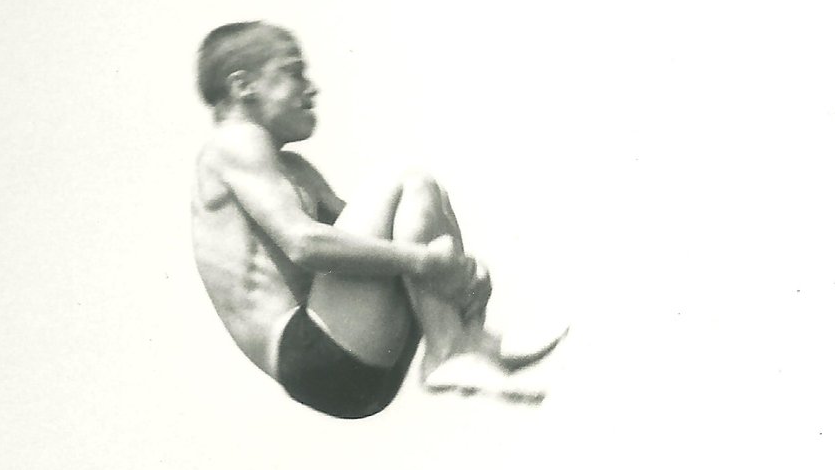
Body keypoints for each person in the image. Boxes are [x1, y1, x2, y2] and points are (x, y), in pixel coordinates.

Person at [189, 22, 561, 418]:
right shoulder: (234, 142)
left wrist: (459, 275)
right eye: (294, 72)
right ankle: (449, 349)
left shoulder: (293, 168)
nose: (311, 88)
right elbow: (303, 244)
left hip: (353, 368)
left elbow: (389, 229)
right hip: (311, 356)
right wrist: (424, 262)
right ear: (243, 85)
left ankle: (465, 341)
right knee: (409, 181)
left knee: (420, 206)